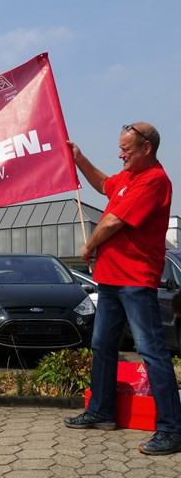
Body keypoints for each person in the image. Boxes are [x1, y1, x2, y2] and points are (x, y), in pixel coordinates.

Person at [64, 123, 181, 455]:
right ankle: (101, 412)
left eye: (126, 150)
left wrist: (88, 248)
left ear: (146, 148)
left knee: (152, 351)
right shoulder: (127, 178)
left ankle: (172, 428)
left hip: (135, 280)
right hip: (111, 278)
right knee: (102, 346)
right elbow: (103, 184)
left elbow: (114, 221)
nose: (120, 154)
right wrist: (79, 159)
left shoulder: (154, 181)